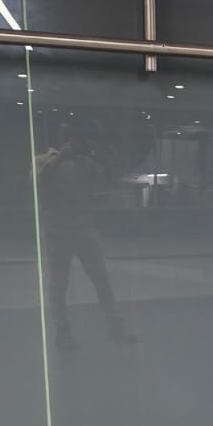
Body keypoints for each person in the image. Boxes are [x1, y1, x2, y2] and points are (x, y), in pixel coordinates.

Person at [36, 122, 133, 349]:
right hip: (57, 231)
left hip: (84, 229)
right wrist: (61, 157)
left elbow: (108, 180)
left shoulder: (85, 164)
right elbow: (39, 182)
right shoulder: (42, 160)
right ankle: (63, 331)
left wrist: (106, 157)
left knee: (101, 278)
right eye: (70, 138)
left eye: (78, 139)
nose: (74, 143)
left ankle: (114, 325)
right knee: (59, 283)